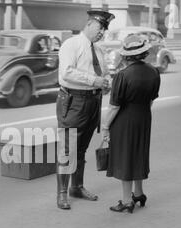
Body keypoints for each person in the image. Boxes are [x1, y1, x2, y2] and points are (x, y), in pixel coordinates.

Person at [55, 9, 115, 210]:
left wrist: (105, 84)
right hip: (73, 101)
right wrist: (94, 80)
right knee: (67, 149)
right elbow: (67, 72)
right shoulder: (71, 44)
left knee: (81, 148)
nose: (102, 33)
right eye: (100, 27)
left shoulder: (98, 50)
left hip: (92, 102)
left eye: (104, 29)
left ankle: (77, 187)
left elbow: (104, 73)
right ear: (89, 24)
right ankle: (62, 192)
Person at [102, 34, 161, 213]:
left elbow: (114, 106)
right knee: (138, 153)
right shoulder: (154, 72)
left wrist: (105, 127)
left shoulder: (123, 75)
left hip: (124, 120)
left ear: (126, 55)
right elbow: (151, 100)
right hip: (144, 117)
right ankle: (139, 193)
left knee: (125, 157)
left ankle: (127, 201)